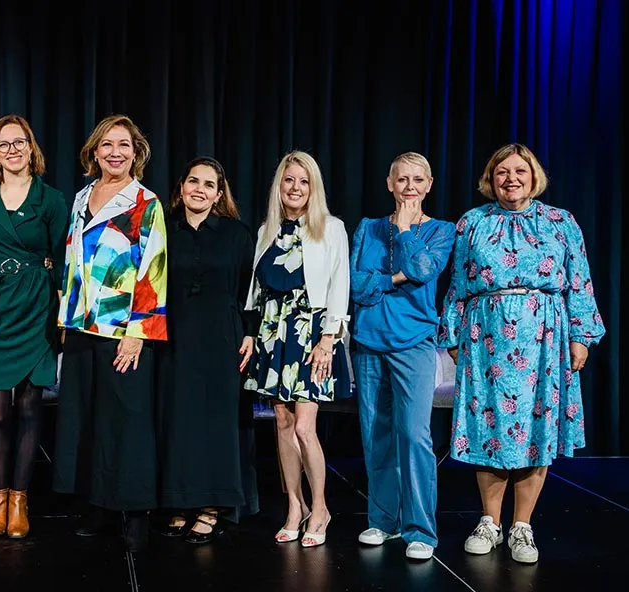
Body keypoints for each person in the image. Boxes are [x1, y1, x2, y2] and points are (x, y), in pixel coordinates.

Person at [438, 143, 605, 564]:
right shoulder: (472, 223)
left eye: (519, 171)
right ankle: (490, 522)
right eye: (501, 172)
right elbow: (458, 283)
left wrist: (581, 336)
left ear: (534, 176)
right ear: (490, 179)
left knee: (537, 432)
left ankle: (522, 526)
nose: (511, 179)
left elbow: (579, 283)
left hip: (545, 338)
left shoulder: (560, 222)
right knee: (487, 429)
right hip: (485, 339)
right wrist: (454, 337)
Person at [53, 114, 167, 552]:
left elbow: (153, 267)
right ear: (94, 152)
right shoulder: (82, 197)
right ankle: (97, 504)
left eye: (124, 145)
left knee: (128, 420)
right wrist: (66, 319)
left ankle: (135, 512)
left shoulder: (146, 201)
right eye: (107, 145)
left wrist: (138, 330)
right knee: (88, 417)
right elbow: (72, 263)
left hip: (124, 329)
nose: (115, 152)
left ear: (135, 153)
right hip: (82, 327)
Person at [0, 115, 69, 538]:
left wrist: (62, 312)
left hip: (36, 308)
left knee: (28, 407)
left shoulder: (51, 199)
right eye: (3, 144)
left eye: (19, 142)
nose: (11, 150)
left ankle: (21, 498)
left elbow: (64, 260)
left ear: (31, 148)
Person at [349, 152, 455, 560]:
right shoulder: (368, 228)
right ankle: (382, 521)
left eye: (417, 180)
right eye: (402, 179)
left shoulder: (441, 230)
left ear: (429, 185)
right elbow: (356, 286)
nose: (409, 186)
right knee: (376, 435)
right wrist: (395, 278)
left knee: (413, 436)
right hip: (370, 342)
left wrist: (408, 230)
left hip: (414, 344)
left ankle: (420, 531)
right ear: (389, 184)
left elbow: (426, 270)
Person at [244, 150, 350, 548]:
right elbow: (255, 293)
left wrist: (329, 338)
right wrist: (252, 334)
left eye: (304, 182)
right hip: (274, 332)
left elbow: (340, 285)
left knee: (305, 427)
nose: (296, 188)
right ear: (279, 186)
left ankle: (319, 507)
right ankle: (295, 505)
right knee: (283, 425)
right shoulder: (266, 230)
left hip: (311, 334)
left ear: (314, 188)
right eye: (289, 180)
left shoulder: (331, 227)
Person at [156, 157, 258, 545]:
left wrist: (249, 333)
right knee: (178, 418)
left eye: (208, 184)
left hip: (222, 337)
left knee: (217, 421)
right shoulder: (163, 230)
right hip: (174, 337)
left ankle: (212, 507)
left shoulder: (236, 234)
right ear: (181, 188)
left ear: (218, 194)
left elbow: (252, 290)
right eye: (193, 181)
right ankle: (180, 502)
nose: (199, 189)